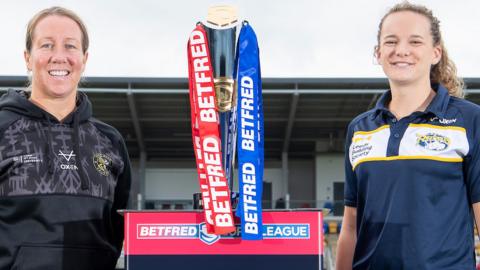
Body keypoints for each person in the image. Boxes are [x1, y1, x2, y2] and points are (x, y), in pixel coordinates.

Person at [337, 2, 479, 269]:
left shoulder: (470, 120)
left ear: (435, 53)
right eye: (391, 42)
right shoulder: (360, 129)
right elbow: (351, 226)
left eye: (415, 41)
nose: (401, 50)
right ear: (378, 53)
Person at [0, 7, 131, 269]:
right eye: (47, 45)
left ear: (84, 58)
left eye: (70, 46)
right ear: (28, 57)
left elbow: (118, 231)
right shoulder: (3, 130)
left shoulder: (109, 141)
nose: (59, 57)